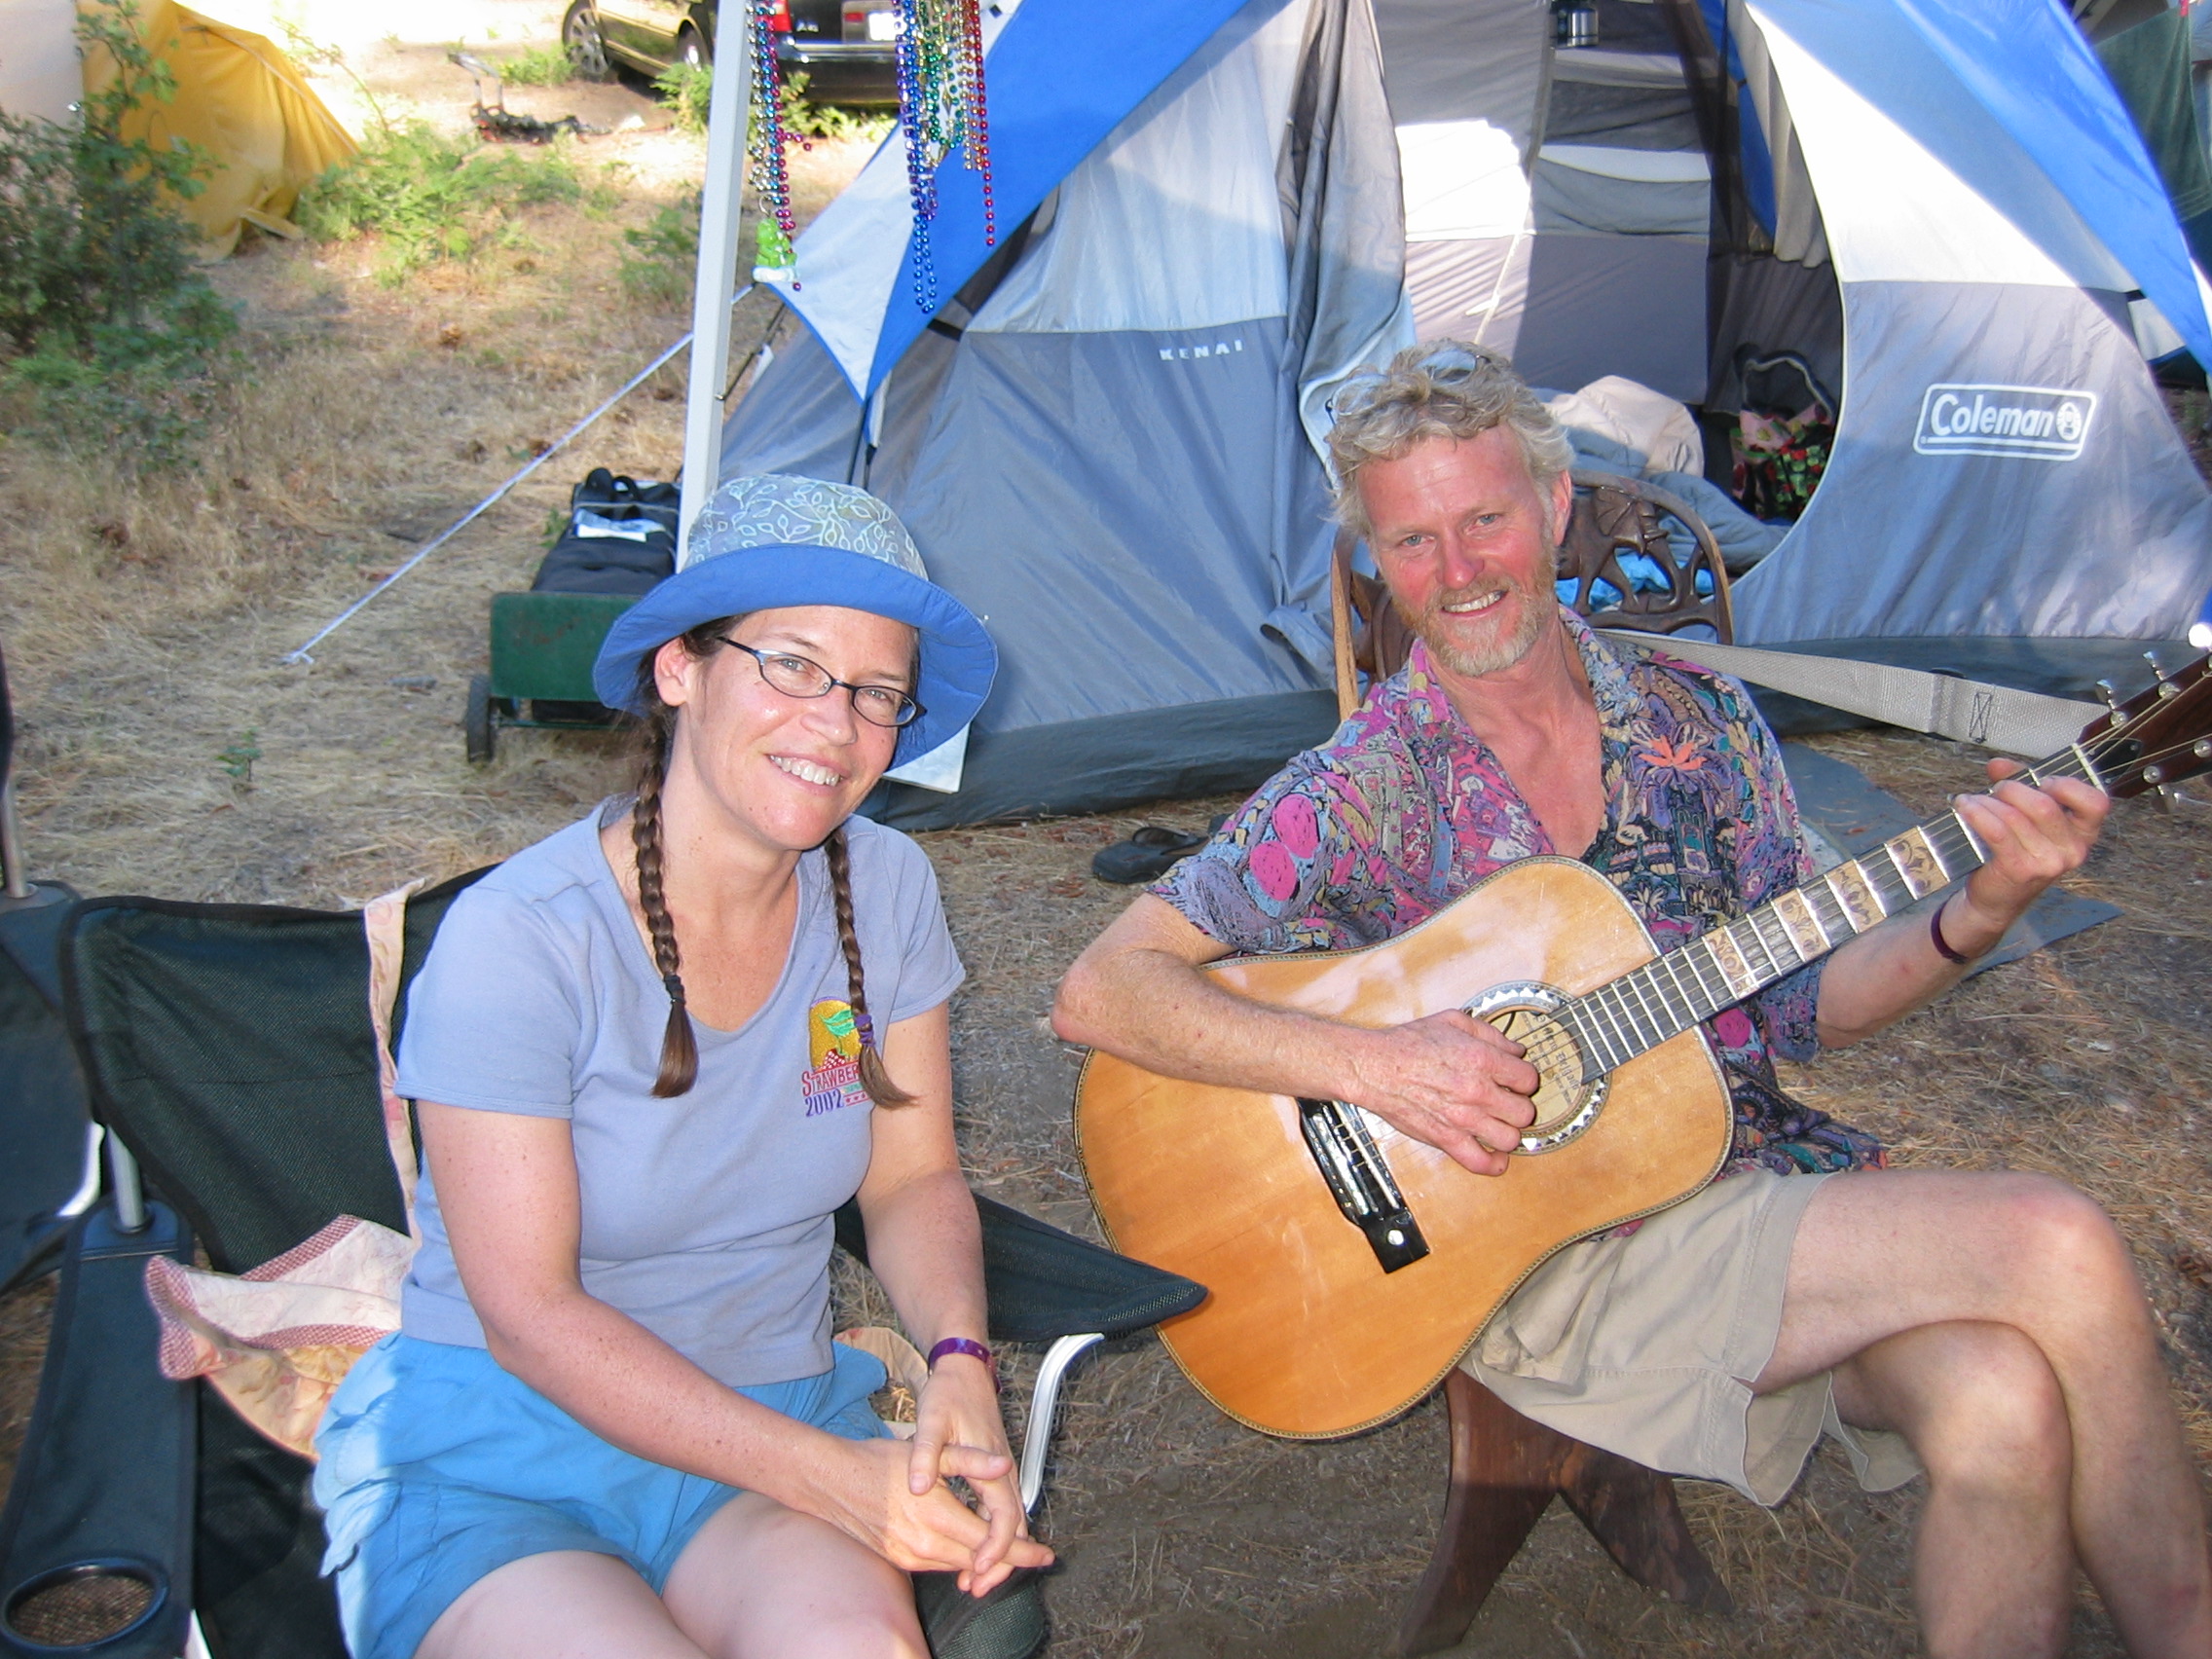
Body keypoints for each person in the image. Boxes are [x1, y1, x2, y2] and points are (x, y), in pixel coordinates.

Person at [1053, 342, 2212, 1658]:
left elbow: (1807, 1011)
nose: (1459, 569)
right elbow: (1102, 993)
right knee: (2055, 1242)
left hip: (1744, 1192)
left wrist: (1983, 906)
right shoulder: (1358, 786)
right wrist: (1373, 1068)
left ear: (1553, 506)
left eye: (1486, 519)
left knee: (2003, 1399)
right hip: (1538, 1255)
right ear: (1377, 557)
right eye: (1414, 540)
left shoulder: (1697, 723)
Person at [314, 474, 1050, 1659]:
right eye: (792, 665)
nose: (835, 725)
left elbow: (910, 1179)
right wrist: (833, 1480)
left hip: (765, 1429)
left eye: (876, 693)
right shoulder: (522, 941)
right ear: (679, 669)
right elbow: (531, 1316)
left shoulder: (887, 889)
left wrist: (959, 1359)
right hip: (507, 1452)